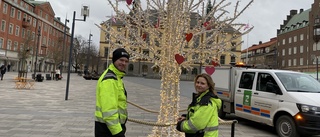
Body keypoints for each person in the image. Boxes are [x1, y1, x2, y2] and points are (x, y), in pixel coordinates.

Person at [95, 48, 130, 137]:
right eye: (121, 60)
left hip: (112, 127)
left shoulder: (117, 77)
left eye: (126, 61)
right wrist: (118, 133)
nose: (123, 63)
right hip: (108, 129)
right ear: (114, 60)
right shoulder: (110, 79)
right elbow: (109, 110)